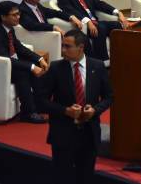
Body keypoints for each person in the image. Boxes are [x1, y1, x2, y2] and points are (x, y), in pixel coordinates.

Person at [37, 30, 112, 184]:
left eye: (67, 46)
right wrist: (65, 111)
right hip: (63, 134)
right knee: (62, 176)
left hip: (89, 134)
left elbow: (109, 97)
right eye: (62, 46)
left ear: (81, 47)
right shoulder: (56, 68)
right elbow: (40, 101)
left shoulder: (97, 66)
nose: (63, 50)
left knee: (85, 176)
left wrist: (95, 110)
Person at [0, 0, 48, 123]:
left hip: (7, 65)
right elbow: (5, 59)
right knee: (24, 72)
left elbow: (19, 48)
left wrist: (39, 59)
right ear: (3, 16)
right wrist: (31, 67)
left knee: (34, 66)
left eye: (18, 14)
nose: (18, 17)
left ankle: (40, 106)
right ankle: (28, 113)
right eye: (14, 15)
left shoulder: (8, 28)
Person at [56, 0, 129, 62]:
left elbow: (98, 3)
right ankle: (102, 61)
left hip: (96, 22)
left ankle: (121, 56)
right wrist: (88, 21)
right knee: (100, 28)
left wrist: (118, 12)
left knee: (118, 25)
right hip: (84, 26)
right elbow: (70, 11)